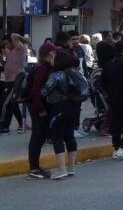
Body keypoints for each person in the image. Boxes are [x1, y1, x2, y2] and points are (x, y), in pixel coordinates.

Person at [42, 51, 85, 179]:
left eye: (54, 58)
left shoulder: (56, 76)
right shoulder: (75, 73)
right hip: (74, 108)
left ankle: (61, 169)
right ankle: (71, 167)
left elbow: (44, 92)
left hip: (59, 109)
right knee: (69, 136)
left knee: (57, 138)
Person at [25, 42, 58, 179]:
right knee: (37, 137)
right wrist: (41, 109)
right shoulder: (42, 69)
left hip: (39, 107)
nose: (56, 55)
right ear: (49, 54)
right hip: (38, 107)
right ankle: (34, 169)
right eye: (54, 53)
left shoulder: (45, 67)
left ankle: (35, 167)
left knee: (39, 137)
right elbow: (35, 91)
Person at [1, 34, 27, 133]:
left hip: (16, 80)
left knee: (6, 103)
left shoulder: (20, 48)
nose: (6, 46)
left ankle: (5, 126)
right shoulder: (11, 51)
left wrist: (23, 39)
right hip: (8, 80)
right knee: (13, 103)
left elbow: (13, 35)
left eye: (7, 43)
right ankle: (21, 123)